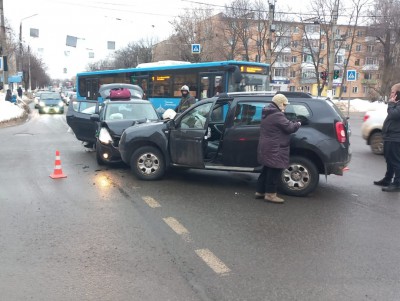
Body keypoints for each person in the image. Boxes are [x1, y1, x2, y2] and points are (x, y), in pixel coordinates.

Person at [256, 94, 301, 203]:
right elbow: (289, 127)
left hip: (267, 146)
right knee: (274, 170)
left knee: (267, 169)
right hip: (275, 148)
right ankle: (270, 195)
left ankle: (260, 191)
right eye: (284, 104)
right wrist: (298, 123)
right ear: (279, 103)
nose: (285, 107)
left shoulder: (267, 112)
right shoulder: (277, 115)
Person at [374, 83, 400, 192]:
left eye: (393, 92)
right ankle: (387, 179)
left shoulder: (396, 105)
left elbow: (393, 115)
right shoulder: (397, 104)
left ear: (398, 94)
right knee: (389, 160)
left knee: (395, 161)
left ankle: (397, 183)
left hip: (395, 137)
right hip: (390, 136)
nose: (391, 94)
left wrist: (390, 104)